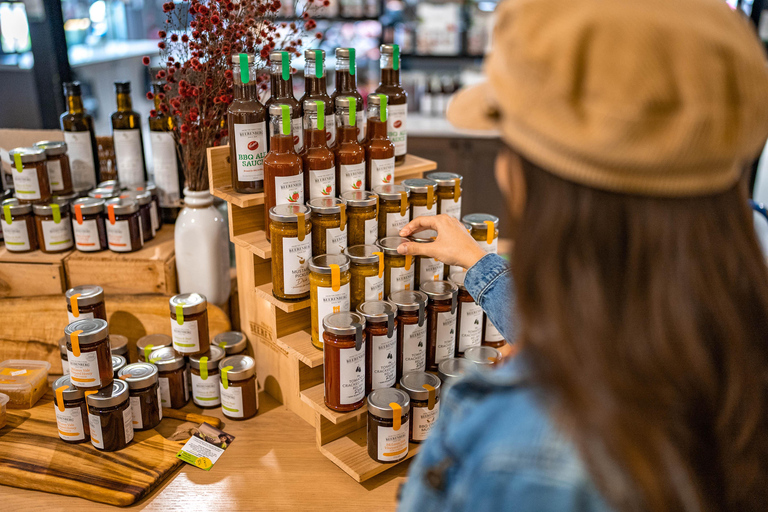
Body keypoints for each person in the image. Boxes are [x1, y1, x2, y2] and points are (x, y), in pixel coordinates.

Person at [396, 0, 768, 510]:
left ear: (539, 184)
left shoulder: (517, 450)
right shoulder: (732, 320)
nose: (503, 169)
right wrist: (478, 261)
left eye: (510, 144)